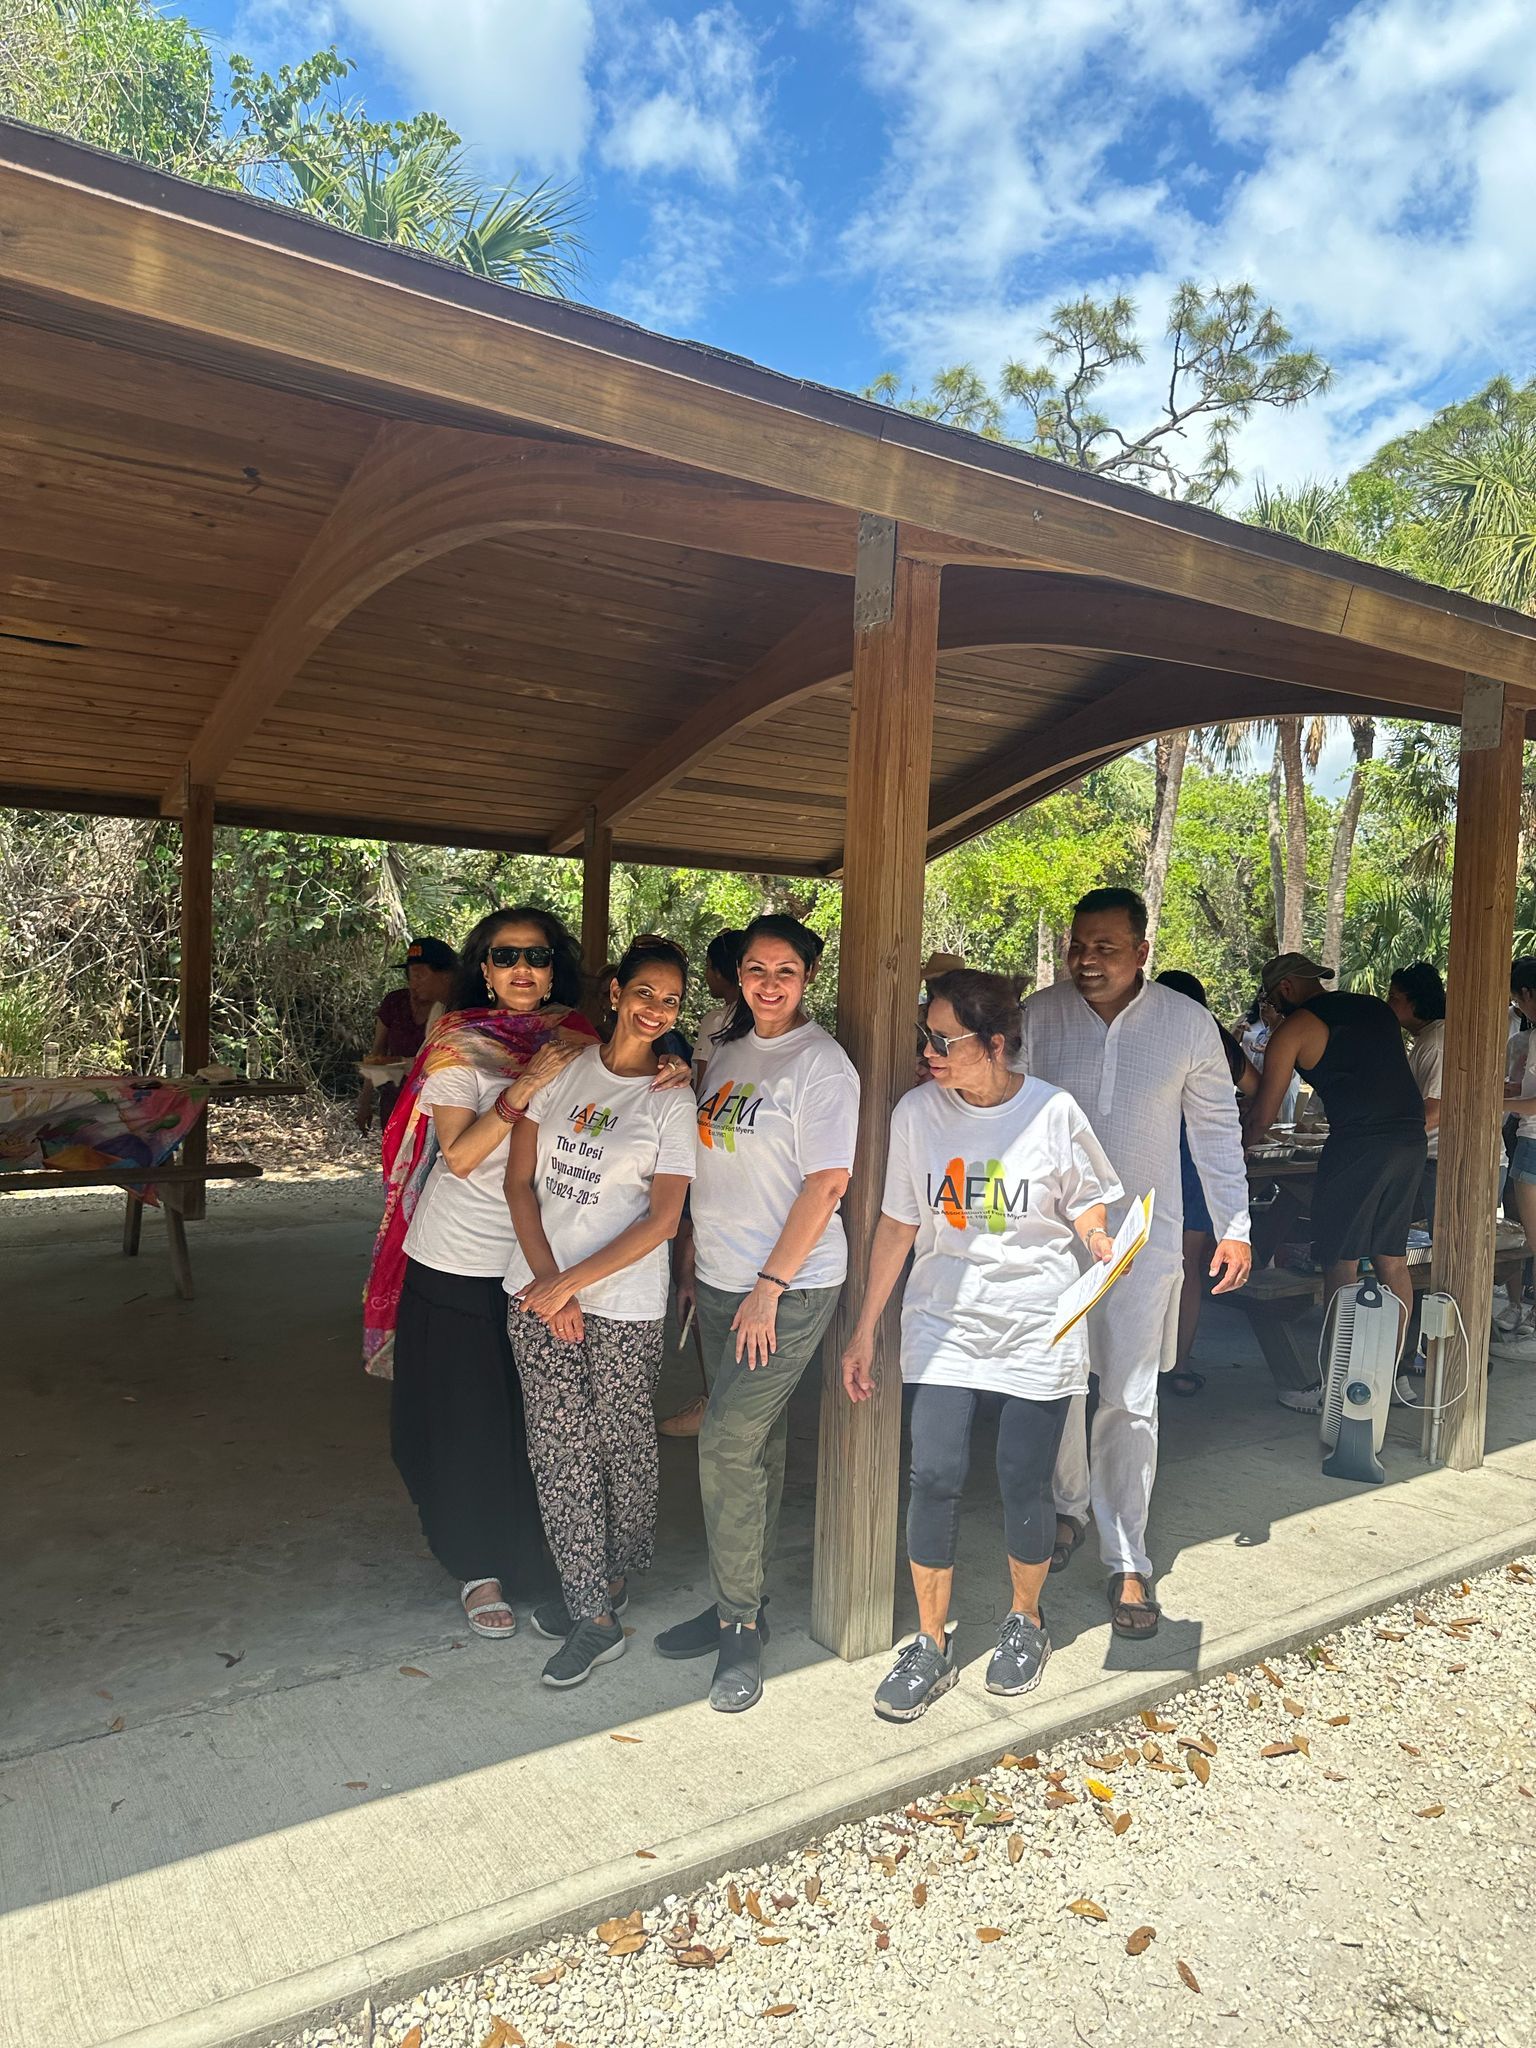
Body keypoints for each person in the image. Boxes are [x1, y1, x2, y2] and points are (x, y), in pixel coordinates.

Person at [363, 906, 690, 1642]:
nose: (522, 970)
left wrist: (673, 1058)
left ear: (556, 970)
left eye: (537, 957)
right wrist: (524, 1086)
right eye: (505, 956)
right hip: (458, 1258)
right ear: (482, 967)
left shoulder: (578, 1038)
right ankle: (476, 1567)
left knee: (538, 1429)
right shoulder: (458, 1043)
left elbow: (630, 1074)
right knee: (465, 1424)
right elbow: (461, 1156)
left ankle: (539, 1557)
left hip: (541, 1264)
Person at [841, 971, 1121, 1721]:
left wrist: (1098, 1240)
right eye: (923, 1036)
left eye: (943, 1039)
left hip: (1037, 1322)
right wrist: (867, 1327)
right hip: (945, 1323)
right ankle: (930, 1644)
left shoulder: (1052, 1112)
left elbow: (1087, 1200)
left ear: (995, 1045)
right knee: (933, 1474)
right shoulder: (916, 1113)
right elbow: (900, 1223)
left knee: (1021, 1481)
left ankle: (1025, 1621)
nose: (927, 1051)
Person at [1020, 887, 1251, 1639]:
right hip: (1050, 1238)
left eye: (1106, 947)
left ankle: (1128, 1559)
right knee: (1056, 1390)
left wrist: (1235, 1225)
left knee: (1128, 1396)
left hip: (1142, 1240)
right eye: (1078, 945)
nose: (1087, 960)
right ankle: (1068, 1509)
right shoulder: (1038, 1015)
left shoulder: (1185, 1025)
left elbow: (1216, 1128)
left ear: (1143, 951)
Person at [654, 914, 859, 1713]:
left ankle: (740, 1625)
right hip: (723, 1277)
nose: (768, 985)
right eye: (754, 970)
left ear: (809, 977)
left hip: (790, 1286)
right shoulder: (730, 1054)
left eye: (785, 971)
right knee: (756, 1446)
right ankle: (746, 1598)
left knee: (726, 1442)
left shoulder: (823, 1066)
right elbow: (711, 1165)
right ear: (735, 977)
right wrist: (693, 1255)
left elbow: (825, 1184)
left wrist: (771, 1285)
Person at [505, 937, 698, 1688]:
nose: (656, 1009)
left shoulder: (671, 1098)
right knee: (560, 1452)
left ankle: (613, 1576)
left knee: (620, 1445)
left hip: (623, 1305)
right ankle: (594, 1613)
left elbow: (663, 1219)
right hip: (537, 1292)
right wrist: (551, 1286)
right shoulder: (560, 1068)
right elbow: (520, 1184)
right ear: (615, 991)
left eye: (672, 1001)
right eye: (645, 992)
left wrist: (574, 1286)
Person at [1246, 953, 1428, 1409]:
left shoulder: (1294, 1029)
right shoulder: (1375, 1008)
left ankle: (1338, 1384)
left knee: (1341, 1263)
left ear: (1284, 990)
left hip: (1358, 1145)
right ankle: (1395, 1373)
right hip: (1409, 1137)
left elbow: (1265, 1111)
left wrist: (1234, 1146)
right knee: (1391, 1259)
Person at [1154, 970, 1261, 1398]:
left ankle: (1120, 1365)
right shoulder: (1215, 1038)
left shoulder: (1151, 1033)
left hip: (1153, 1152)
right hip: (1199, 1157)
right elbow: (1256, 1085)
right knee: (1186, 1264)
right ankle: (1179, 1366)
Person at [355, 937, 456, 1132]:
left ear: (446, 975)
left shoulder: (456, 1011)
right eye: (410, 975)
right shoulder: (395, 1002)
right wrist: (365, 1101)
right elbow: (377, 1052)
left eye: (420, 975)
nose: (413, 983)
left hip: (435, 1109)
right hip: (395, 1104)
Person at [1387, 961, 1446, 1232]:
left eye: (1394, 998)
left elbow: (1435, 1111)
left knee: (1446, 1243)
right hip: (1430, 1157)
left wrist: (1389, 1144)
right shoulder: (1426, 1038)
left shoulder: (1436, 1043)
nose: (1387, 1003)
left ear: (1415, 1002)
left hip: (1442, 1159)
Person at [691, 929, 744, 1086]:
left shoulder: (716, 1021)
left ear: (719, 972)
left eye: (708, 966)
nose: (706, 974)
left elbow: (703, 1084)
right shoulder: (768, 1021)